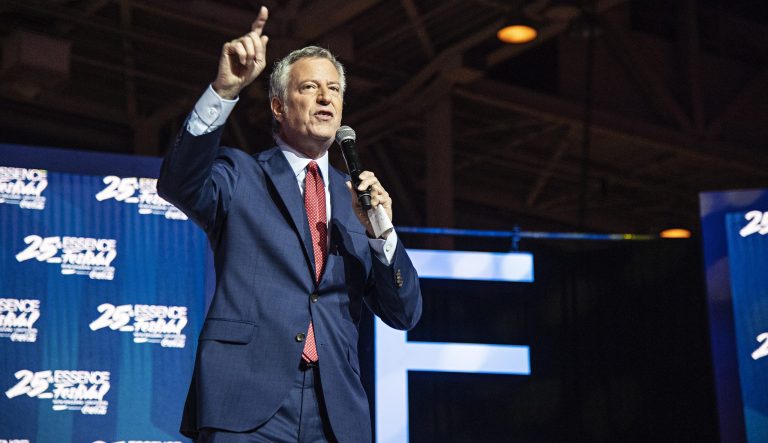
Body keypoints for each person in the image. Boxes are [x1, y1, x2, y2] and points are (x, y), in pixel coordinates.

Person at [157, 6, 423, 443]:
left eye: (334, 89)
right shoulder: (241, 175)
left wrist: (382, 235)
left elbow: (404, 313)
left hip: (335, 411)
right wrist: (224, 90)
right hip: (246, 399)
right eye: (310, 87)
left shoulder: (357, 199)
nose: (325, 98)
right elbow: (178, 184)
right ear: (278, 106)